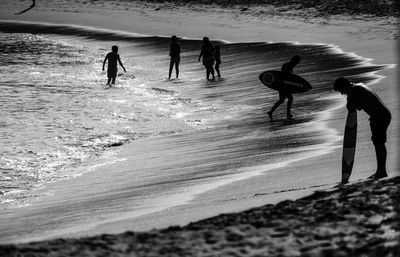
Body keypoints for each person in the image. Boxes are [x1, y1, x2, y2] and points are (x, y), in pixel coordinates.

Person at [333, 77, 391, 179]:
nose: (342, 93)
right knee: (378, 143)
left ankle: (382, 171)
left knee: (379, 143)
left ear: (345, 85)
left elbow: (352, 109)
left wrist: (349, 100)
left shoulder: (353, 91)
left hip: (379, 116)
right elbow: (359, 106)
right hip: (382, 115)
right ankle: (380, 170)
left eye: (341, 90)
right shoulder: (359, 85)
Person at [267, 55, 301, 121]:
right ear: (295, 61)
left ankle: (270, 112)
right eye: (297, 62)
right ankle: (288, 114)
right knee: (290, 99)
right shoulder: (288, 65)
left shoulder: (288, 65)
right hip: (283, 86)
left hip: (282, 85)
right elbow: (285, 76)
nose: (297, 64)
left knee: (282, 100)